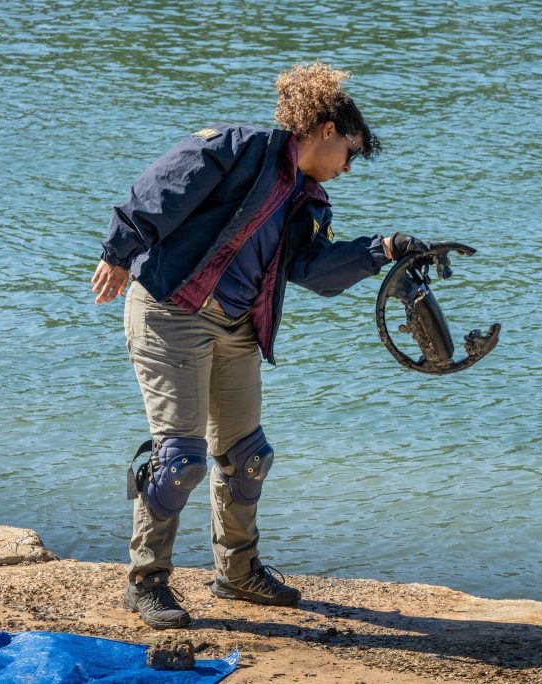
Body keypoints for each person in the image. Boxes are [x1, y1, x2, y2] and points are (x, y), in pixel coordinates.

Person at [91, 62, 429, 629]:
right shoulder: (234, 147)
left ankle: (238, 573)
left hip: (237, 328)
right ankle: (146, 582)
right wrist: (118, 252)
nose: (349, 166)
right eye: (350, 151)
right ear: (325, 130)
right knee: (180, 460)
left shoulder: (311, 199)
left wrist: (383, 249)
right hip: (171, 312)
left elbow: (312, 270)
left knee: (248, 458)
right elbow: (157, 192)